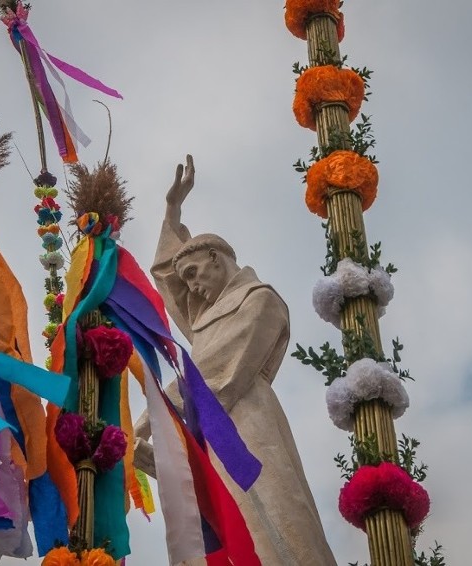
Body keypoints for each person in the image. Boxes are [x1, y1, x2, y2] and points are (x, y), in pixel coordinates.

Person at [134, 155, 336, 565]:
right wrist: (173, 209)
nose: (191, 287)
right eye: (186, 279)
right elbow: (167, 278)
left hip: (247, 423)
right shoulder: (207, 314)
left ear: (217, 258)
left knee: (274, 520)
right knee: (227, 527)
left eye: (194, 273)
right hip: (209, 426)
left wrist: (150, 422)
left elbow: (214, 377)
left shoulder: (258, 300)